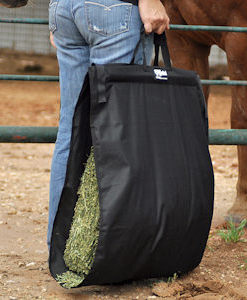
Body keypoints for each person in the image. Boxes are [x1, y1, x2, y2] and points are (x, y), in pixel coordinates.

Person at [47, 0, 170, 250]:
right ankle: (110, 252)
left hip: (64, 9)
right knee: (117, 132)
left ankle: (61, 249)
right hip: (113, 9)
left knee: (72, 130)